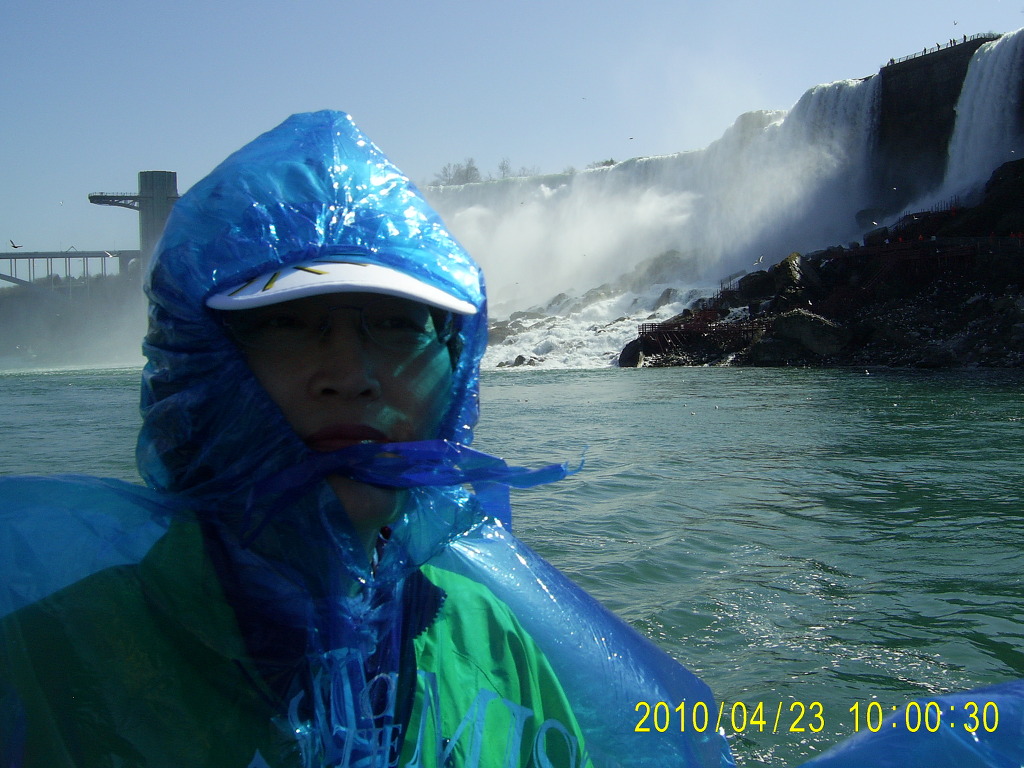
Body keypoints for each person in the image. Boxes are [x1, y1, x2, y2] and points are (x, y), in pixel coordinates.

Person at [0, 112, 728, 767]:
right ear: (196, 373)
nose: (350, 376)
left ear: (456, 373)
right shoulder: (46, 666)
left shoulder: (494, 643)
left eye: (396, 325)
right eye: (286, 323)